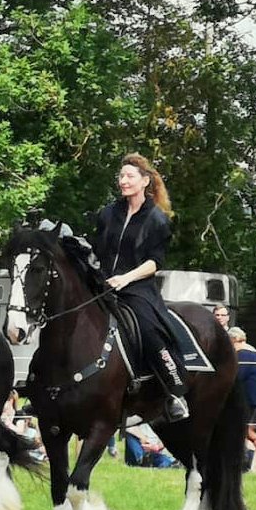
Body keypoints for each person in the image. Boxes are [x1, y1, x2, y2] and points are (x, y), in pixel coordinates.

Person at [91, 153, 189, 422]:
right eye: (121, 176)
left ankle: (173, 391)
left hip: (137, 287)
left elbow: (154, 263)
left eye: (129, 176)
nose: (123, 181)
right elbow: (97, 249)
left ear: (145, 181)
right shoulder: (108, 213)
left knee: (148, 329)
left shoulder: (157, 218)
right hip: (103, 283)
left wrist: (125, 278)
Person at [228, 327, 256, 412]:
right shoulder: (250, 350)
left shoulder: (244, 353)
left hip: (252, 396)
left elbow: (238, 375)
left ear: (234, 339)